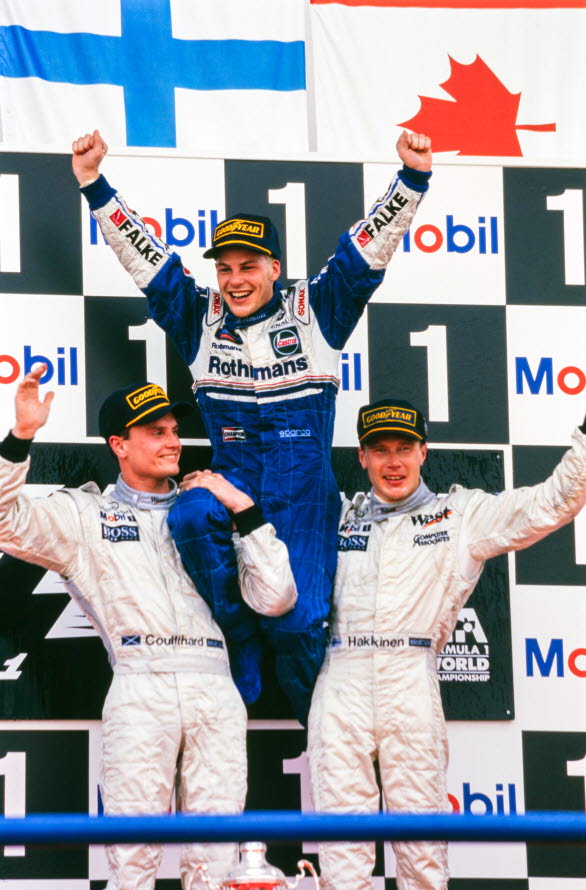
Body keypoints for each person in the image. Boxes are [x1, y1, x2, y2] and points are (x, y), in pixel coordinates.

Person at [71, 129, 432, 724]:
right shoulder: (198, 319)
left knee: (297, 622)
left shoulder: (316, 311)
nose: (235, 280)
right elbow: (145, 260)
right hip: (233, 484)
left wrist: (411, 179)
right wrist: (94, 183)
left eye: (248, 267)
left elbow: (366, 253)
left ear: (274, 268)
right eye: (225, 269)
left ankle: (309, 718)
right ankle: (239, 638)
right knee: (187, 513)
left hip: (304, 496)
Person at [0, 366, 297, 890]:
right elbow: (5, 523)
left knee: (218, 864)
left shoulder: (207, 508)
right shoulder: (84, 515)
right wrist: (21, 435)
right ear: (119, 444)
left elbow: (276, 599)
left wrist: (244, 510)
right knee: (132, 860)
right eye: (155, 432)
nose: (172, 441)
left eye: (174, 430)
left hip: (215, 684)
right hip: (140, 682)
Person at [307, 397, 586, 890]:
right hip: (340, 677)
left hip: (409, 675)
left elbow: (552, 502)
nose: (393, 462)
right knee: (340, 852)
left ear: (423, 452)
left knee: (423, 851)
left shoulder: (460, 515)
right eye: (380, 450)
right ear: (361, 457)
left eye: (404, 448)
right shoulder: (334, 516)